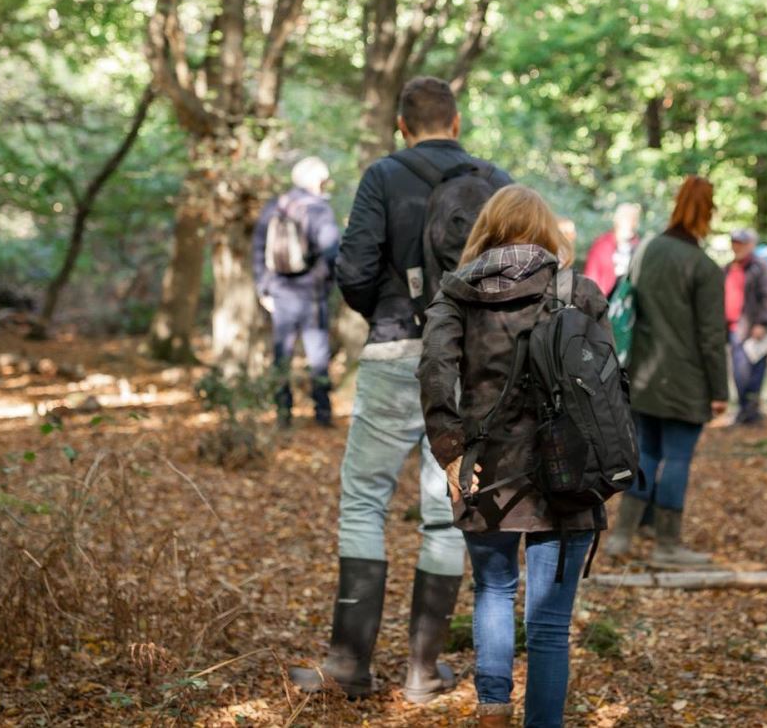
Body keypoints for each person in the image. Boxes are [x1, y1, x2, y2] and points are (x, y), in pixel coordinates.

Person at [290, 77, 512, 702]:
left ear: (401, 127)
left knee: (364, 500)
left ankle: (349, 666)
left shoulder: (382, 176)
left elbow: (354, 268)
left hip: (394, 351)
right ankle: (422, 672)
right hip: (469, 363)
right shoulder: (495, 182)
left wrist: (388, 316)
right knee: (445, 511)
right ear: (458, 122)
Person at [418, 186, 608, 728]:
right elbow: (607, 389)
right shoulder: (580, 292)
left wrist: (450, 453)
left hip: (486, 467)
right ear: (546, 230)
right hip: (568, 470)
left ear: (488, 229)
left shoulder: (456, 293)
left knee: (494, 592)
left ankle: (493, 712)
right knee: (549, 623)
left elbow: (434, 371)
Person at [603, 176, 726, 566]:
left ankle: (622, 536)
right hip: (686, 381)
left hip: (642, 375)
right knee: (676, 459)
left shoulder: (647, 250)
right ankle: (667, 545)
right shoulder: (704, 268)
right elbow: (711, 337)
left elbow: (625, 306)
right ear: (708, 213)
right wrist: (720, 390)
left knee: (647, 453)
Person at [251, 156, 341, 429]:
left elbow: (257, 249)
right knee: (317, 355)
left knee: (282, 354)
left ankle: (283, 413)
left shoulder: (275, 206)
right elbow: (332, 251)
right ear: (315, 180)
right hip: (311, 293)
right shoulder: (318, 209)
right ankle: (322, 415)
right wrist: (327, 282)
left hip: (279, 292)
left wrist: (263, 288)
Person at [726, 228, 767, 426]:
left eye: (741, 242)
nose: (736, 246)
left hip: (753, 330)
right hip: (734, 329)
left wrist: (762, 323)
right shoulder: (729, 268)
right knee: (739, 374)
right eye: (734, 242)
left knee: (753, 374)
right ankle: (744, 411)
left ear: (750, 245)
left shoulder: (761, 268)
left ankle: (750, 413)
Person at [582, 202, 642, 297]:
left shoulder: (638, 247)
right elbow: (591, 276)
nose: (627, 222)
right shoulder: (602, 244)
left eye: (631, 219)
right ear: (617, 220)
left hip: (626, 302)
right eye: (624, 218)